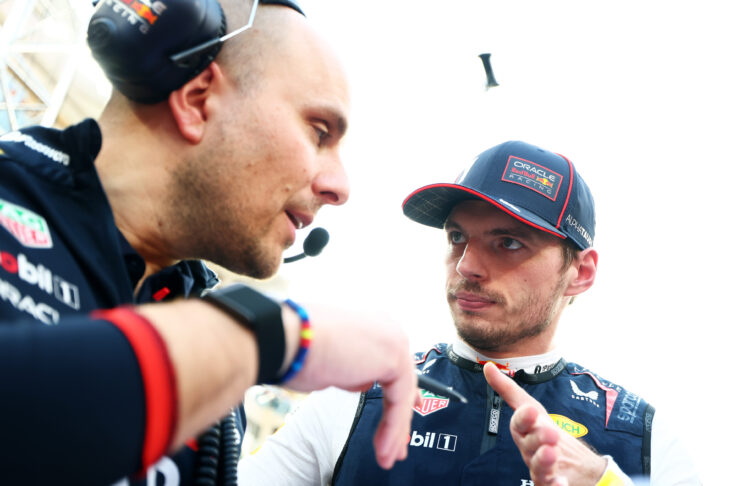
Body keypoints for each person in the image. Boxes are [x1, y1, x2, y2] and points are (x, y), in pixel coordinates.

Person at [0, 1, 419, 484]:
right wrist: (275, 338)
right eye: (319, 132)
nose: (340, 186)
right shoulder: (240, 342)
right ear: (198, 99)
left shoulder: (203, 330)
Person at [239, 140, 701, 485]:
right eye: (457, 237)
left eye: (508, 243)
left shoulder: (641, 436)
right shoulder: (356, 398)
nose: (466, 266)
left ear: (580, 272)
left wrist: (604, 483)